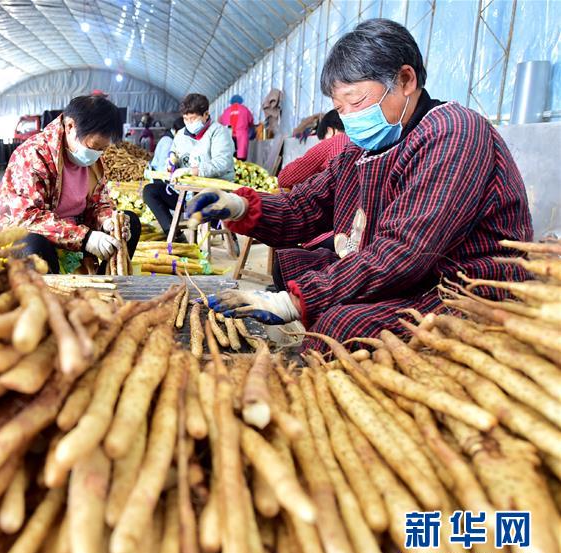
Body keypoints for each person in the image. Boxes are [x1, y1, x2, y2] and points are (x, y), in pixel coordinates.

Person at [187, 18, 532, 350]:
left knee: (339, 327)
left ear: (406, 80)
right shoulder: (362, 150)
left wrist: (295, 300)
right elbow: (305, 206)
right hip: (412, 272)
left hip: (464, 283)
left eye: (356, 102)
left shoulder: (453, 132)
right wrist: (243, 206)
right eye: (341, 108)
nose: (350, 117)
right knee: (292, 263)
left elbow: (406, 251)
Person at [0, 95, 140, 274]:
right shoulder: (33, 154)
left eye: (103, 149)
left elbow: (100, 202)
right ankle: (51, 296)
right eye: (94, 146)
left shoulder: (95, 161)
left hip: (74, 235)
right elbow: (27, 218)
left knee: (130, 222)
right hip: (38, 238)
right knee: (33, 243)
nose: (97, 154)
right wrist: (85, 238)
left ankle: (104, 286)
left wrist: (107, 221)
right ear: (70, 126)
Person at [142, 93, 234, 238]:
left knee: (205, 205)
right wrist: (172, 159)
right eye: (186, 119)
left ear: (205, 115)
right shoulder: (180, 135)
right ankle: (176, 236)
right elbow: (175, 152)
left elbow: (222, 163)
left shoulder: (219, 132)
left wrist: (192, 171)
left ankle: (219, 226)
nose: (189, 123)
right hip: (184, 194)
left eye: (193, 119)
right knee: (149, 191)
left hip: (213, 194)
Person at [277, 109, 349, 190]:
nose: (323, 142)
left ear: (330, 131)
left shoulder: (333, 142)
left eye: (323, 138)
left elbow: (285, 179)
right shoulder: (360, 143)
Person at [219, 95, 254, 160]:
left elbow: (221, 121)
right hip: (241, 135)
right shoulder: (245, 109)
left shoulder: (226, 111)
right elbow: (251, 121)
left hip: (229, 135)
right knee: (241, 158)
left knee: (229, 157)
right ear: (240, 101)